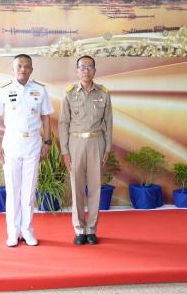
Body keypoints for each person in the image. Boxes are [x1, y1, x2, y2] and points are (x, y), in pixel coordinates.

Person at [0, 54, 53, 247]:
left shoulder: (40, 89)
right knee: (13, 189)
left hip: (33, 142)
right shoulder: (4, 89)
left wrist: (47, 143)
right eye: (19, 66)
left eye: (27, 66)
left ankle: (27, 230)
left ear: (31, 69)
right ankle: (13, 231)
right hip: (12, 142)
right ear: (13, 68)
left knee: (29, 191)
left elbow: (46, 117)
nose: (23, 69)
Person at [58, 56, 113, 245]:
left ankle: (91, 229)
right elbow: (63, 123)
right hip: (76, 144)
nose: (86, 70)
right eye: (82, 67)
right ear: (77, 71)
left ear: (94, 71)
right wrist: (65, 151)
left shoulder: (104, 93)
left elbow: (109, 122)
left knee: (95, 187)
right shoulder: (69, 93)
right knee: (77, 187)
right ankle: (79, 229)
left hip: (97, 142)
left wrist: (108, 147)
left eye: (89, 67)